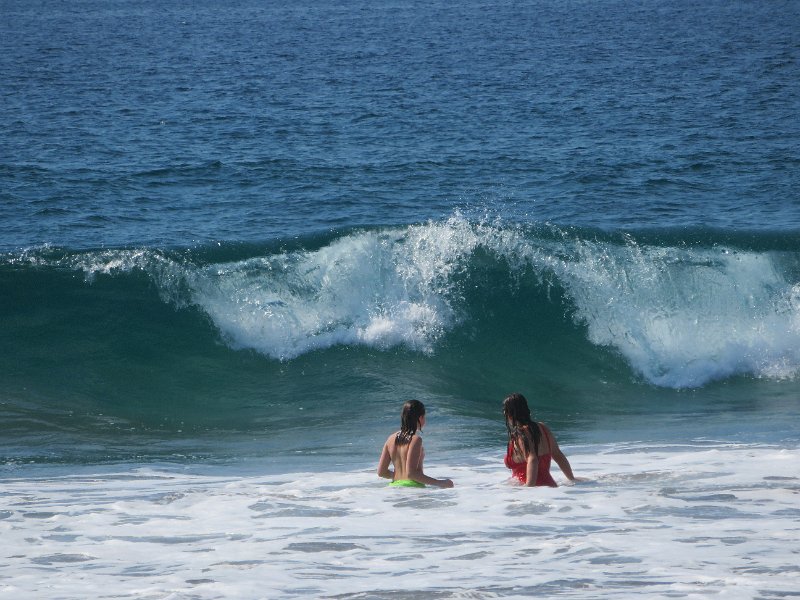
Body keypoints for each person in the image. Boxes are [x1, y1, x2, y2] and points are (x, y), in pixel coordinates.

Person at [503, 392, 577, 487]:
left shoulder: (521, 434)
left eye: (505, 410)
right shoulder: (542, 428)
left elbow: (533, 459)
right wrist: (572, 479)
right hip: (550, 487)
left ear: (510, 414)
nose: (504, 413)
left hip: (533, 489)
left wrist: (529, 488)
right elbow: (558, 455)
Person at [377, 400, 454, 488]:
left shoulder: (390, 439)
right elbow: (411, 474)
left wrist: (399, 476)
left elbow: (381, 472)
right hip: (412, 488)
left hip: (394, 487)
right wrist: (440, 483)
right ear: (420, 418)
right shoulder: (415, 440)